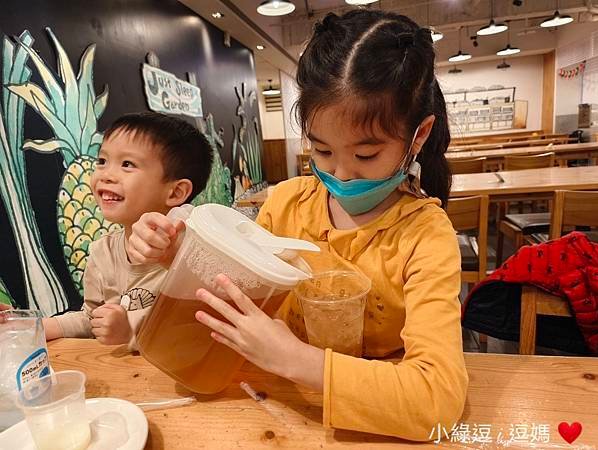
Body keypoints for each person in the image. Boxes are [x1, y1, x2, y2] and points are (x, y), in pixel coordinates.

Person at [129, 10, 467, 441]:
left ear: (417, 136)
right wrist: (175, 254)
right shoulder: (289, 202)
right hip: (272, 414)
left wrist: (295, 359)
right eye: (322, 151)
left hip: (376, 425)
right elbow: (239, 295)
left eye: (365, 156)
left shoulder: (424, 236)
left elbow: (436, 403)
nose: (342, 174)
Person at [43, 112, 212, 346]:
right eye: (102, 161)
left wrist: (130, 334)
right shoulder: (102, 252)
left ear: (175, 192)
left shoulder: (194, 254)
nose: (106, 175)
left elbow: (197, 331)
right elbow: (93, 319)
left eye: (127, 164)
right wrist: (36, 327)